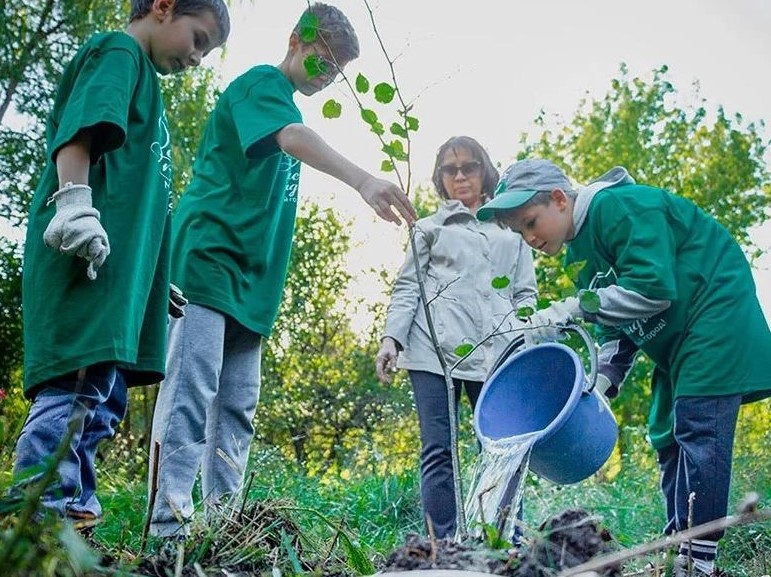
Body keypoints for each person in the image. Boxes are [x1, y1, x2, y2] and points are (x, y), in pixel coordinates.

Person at [147, 2, 417, 538]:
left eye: (340, 69)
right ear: (298, 38)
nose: (330, 74)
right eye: (326, 59)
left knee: (239, 406)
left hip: (254, 286)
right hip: (210, 261)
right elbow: (292, 137)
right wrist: (364, 180)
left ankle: (224, 528)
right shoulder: (261, 86)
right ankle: (168, 523)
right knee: (192, 390)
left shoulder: (288, 111)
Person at [476, 158, 771, 576]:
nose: (529, 239)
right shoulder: (575, 252)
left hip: (714, 314)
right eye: (520, 232)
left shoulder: (619, 207)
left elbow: (652, 289)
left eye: (530, 222)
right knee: (666, 434)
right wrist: (600, 380)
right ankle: (679, 549)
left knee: (699, 424)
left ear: (559, 199)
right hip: (675, 341)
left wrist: (572, 308)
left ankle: (700, 560)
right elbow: (617, 321)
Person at [14, 0, 230, 528]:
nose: (197, 58)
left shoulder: (149, 92)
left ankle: (73, 519)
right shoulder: (119, 52)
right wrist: (73, 203)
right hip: (82, 259)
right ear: (162, 7)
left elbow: (139, 204)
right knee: (76, 387)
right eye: (197, 38)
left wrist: (154, 282)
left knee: (102, 398)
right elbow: (81, 128)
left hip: (117, 277)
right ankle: (37, 519)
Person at [375, 136, 538, 539]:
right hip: (433, 354)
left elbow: (526, 295)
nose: (461, 175)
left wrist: (525, 343)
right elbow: (408, 288)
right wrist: (391, 339)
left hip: (498, 354)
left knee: (501, 447)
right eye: (451, 169)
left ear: (485, 172)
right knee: (438, 449)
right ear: (440, 178)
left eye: (470, 166)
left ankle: (501, 540)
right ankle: (443, 545)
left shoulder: (512, 230)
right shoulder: (428, 229)